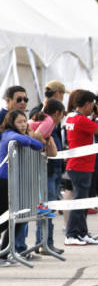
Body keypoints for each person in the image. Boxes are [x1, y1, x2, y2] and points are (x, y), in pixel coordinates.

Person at [63, 90, 98, 246]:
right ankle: (71, 234)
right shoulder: (80, 120)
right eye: (93, 105)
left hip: (79, 165)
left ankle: (81, 233)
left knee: (83, 201)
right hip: (80, 165)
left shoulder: (71, 117)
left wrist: (94, 116)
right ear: (88, 104)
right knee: (80, 202)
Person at [0, 110, 45, 263]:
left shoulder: (15, 135)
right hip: (4, 180)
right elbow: (34, 144)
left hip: (11, 180)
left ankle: (4, 252)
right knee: (6, 218)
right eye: (19, 122)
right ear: (12, 123)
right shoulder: (8, 134)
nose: (23, 124)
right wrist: (31, 138)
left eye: (25, 121)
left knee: (16, 216)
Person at [29, 98, 65, 255]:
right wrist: (44, 141)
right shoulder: (49, 120)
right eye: (61, 115)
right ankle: (44, 242)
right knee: (46, 207)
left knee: (45, 208)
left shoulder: (41, 117)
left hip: (41, 167)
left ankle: (44, 242)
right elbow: (36, 135)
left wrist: (46, 142)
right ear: (57, 113)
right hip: (41, 169)